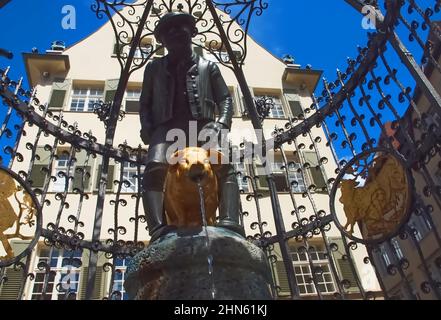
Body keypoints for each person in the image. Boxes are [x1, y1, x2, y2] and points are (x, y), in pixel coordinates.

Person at [139, 11, 245, 242]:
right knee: (155, 167)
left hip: (204, 125)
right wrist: (147, 126)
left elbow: (225, 99)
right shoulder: (154, 69)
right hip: (167, 127)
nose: (175, 32)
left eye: (181, 26)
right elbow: (144, 102)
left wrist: (222, 123)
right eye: (168, 30)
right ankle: (158, 227)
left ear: (192, 32)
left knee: (224, 165)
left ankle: (230, 219)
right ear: (162, 40)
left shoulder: (209, 66)